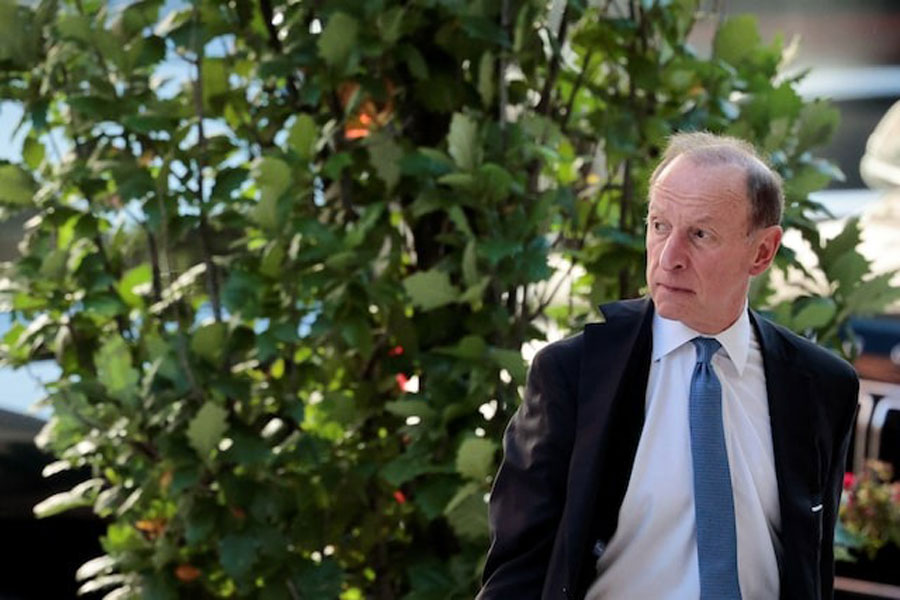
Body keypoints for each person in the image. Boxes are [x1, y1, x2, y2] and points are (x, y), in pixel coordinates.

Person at [477, 132, 859, 600]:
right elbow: (518, 571)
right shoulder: (572, 375)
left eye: (701, 235)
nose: (669, 258)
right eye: (659, 226)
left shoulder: (822, 386)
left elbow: (812, 567)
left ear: (762, 252)